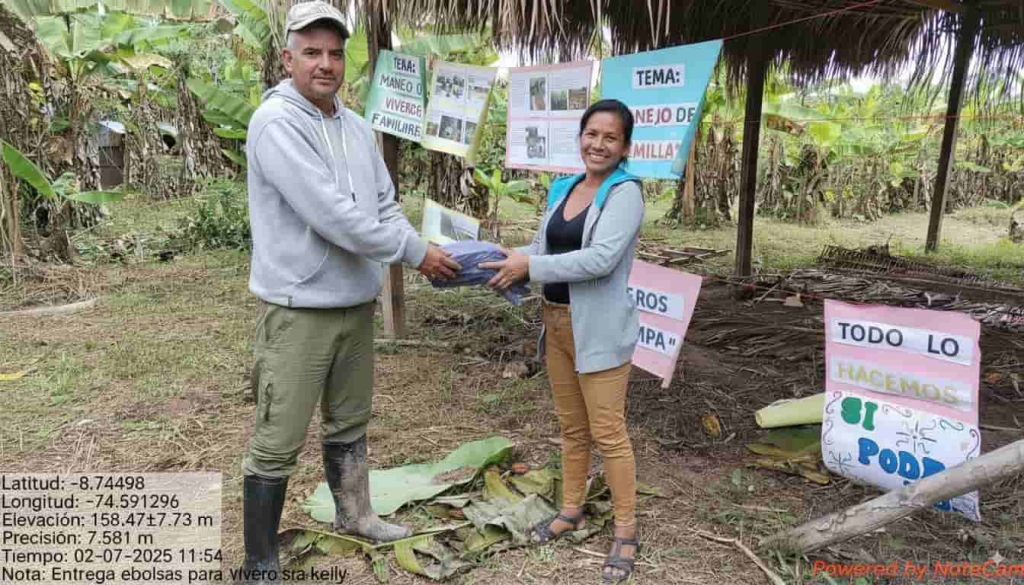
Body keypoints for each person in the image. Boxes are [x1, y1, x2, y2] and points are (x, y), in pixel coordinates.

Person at [241, 2, 460, 583]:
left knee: (350, 420)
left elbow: (383, 204)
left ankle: (356, 514)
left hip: (354, 303)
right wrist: (417, 254)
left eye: (335, 53)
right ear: (288, 58)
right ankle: (260, 563)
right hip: (298, 308)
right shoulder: (276, 123)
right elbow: (331, 214)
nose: (326, 64)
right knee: (278, 436)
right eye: (311, 52)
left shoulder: (357, 127)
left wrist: (409, 241)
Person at [480, 99, 644, 583]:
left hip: (600, 330)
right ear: (580, 137)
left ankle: (626, 531)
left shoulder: (625, 194)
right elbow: (543, 248)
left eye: (610, 137)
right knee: (573, 428)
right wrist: (506, 258)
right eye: (591, 134)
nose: (598, 144)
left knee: (609, 434)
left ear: (625, 147)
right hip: (556, 324)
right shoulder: (564, 187)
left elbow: (600, 260)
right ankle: (571, 508)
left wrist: (530, 266)